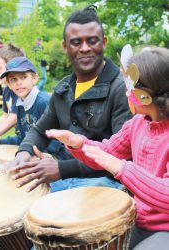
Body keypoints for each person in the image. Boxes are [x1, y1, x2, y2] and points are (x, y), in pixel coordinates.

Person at [46, 46, 169, 250]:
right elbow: (109, 152)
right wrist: (79, 144)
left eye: (130, 88)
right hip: (138, 219)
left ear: (146, 95)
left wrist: (122, 169)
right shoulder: (137, 123)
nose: (126, 92)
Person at [9, 5, 132, 192]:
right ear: (65, 47)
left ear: (104, 43)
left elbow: (121, 156)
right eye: (76, 42)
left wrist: (61, 169)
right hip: (64, 177)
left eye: (92, 41)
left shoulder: (121, 90)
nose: (84, 48)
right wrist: (24, 151)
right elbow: (41, 130)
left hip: (105, 182)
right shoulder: (63, 89)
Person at [0, 56, 66, 250]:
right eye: (13, 79)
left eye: (23, 77)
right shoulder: (21, 103)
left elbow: (57, 141)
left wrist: (32, 156)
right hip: (34, 163)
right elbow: (25, 137)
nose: (18, 83)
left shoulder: (44, 102)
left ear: (34, 78)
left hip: (55, 167)